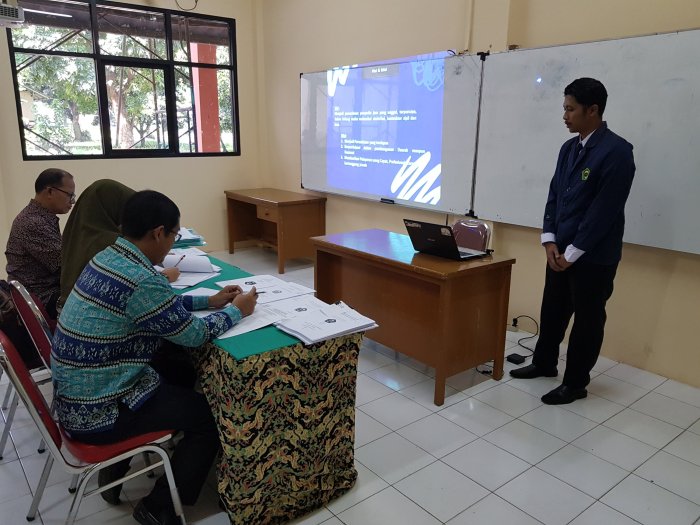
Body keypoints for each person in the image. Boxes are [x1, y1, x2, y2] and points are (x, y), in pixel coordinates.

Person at [51, 190, 258, 525]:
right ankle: (158, 508)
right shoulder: (141, 279)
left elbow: (154, 306)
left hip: (79, 397)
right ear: (159, 232)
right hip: (100, 412)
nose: (173, 243)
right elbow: (195, 335)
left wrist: (210, 301)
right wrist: (237, 311)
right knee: (209, 417)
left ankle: (118, 467)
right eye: (175, 235)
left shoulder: (109, 257)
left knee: (178, 368)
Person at [510, 77, 636, 405]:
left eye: (570, 109)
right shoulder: (568, 148)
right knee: (552, 309)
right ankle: (544, 363)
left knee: (587, 320)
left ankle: (576, 383)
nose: (564, 116)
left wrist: (573, 252)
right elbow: (555, 195)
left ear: (592, 110)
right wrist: (549, 240)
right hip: (560, 251)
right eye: (564, 109)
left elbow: (604, 211)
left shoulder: (617, 152)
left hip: (593, 256)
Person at [58, 179, 179, 310]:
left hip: (69, 307)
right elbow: (137, 287)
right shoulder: (111, 246)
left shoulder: (78, 231)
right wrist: (164, 277)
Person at [5, 168, 75, 319]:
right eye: (69, 195)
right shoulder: (34, 223)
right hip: (42, 297)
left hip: (42, 292)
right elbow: (66, 266)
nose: (73, 201)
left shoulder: (40, 218)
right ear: (50, 191)